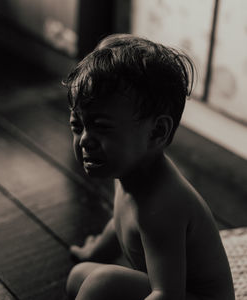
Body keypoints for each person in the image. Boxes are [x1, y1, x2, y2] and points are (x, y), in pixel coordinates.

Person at [63, 34, 235, 300]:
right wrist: (94, 252)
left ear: (157, 132)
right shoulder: (130, 170)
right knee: (80, 275)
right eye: (78, 126)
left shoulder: (163, 206)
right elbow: (120, 221)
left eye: (102, 127)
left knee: (101, 284)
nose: (84, 139)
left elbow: (167, 294)